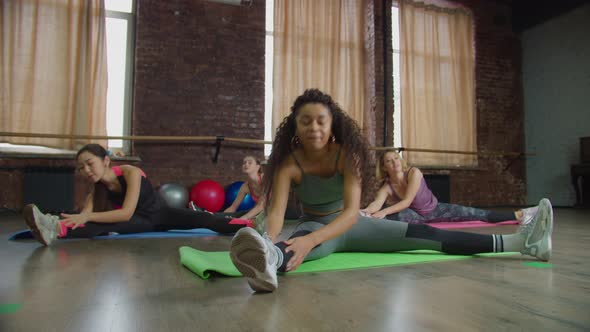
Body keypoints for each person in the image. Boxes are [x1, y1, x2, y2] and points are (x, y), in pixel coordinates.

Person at [227, 89, 553, 293]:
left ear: (332, 124)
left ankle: (524, 243)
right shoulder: (288, 164)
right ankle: (267, 262)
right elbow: (276, 214)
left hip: (354, 224)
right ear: (295, 127)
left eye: (321, 121)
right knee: (291, 248)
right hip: (316, 225)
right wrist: (269, 239)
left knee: (428, 236)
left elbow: (352, 212)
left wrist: (314, 239)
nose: (314, 127)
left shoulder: (347, 157)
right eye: (306, 121)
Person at [23, 144, 250, 246]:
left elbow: (125, 212)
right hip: (139, 223)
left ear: (106, 161)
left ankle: (248, 224)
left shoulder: (131, 173)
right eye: (81, 168)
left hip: (162, 215)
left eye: (89, 164)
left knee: (206, 219)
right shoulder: (97, 188)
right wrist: (77, 219)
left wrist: (87, 217)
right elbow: (85, 215)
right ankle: (52, 227)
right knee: (98, 226)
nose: (86, 171)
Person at [361, 150, 538, 223]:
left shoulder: (414, 173)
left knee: (474, 213)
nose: (394, 163)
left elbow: (407, 201)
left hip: (435, 210)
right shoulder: (386, 186)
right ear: (383, 167)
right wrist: (364, 211)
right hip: (415, 216)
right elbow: (377, 203)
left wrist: (384, 211)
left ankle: (519, 215)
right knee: (393, 216)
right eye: (388, 162)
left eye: (396, 159)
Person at [190, 155, 265, 221]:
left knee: (243, 215)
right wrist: (221, 217)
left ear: (257, 167)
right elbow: (233, 208)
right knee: (238, 214)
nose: (246, 164)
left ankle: (206, 214)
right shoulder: (245, 186)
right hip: (260, 213)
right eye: (244, 162)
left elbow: (261, 206)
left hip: (272, 214)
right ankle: (204, 214)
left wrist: (241, 219)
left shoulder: (264, 179)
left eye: (250, 162)